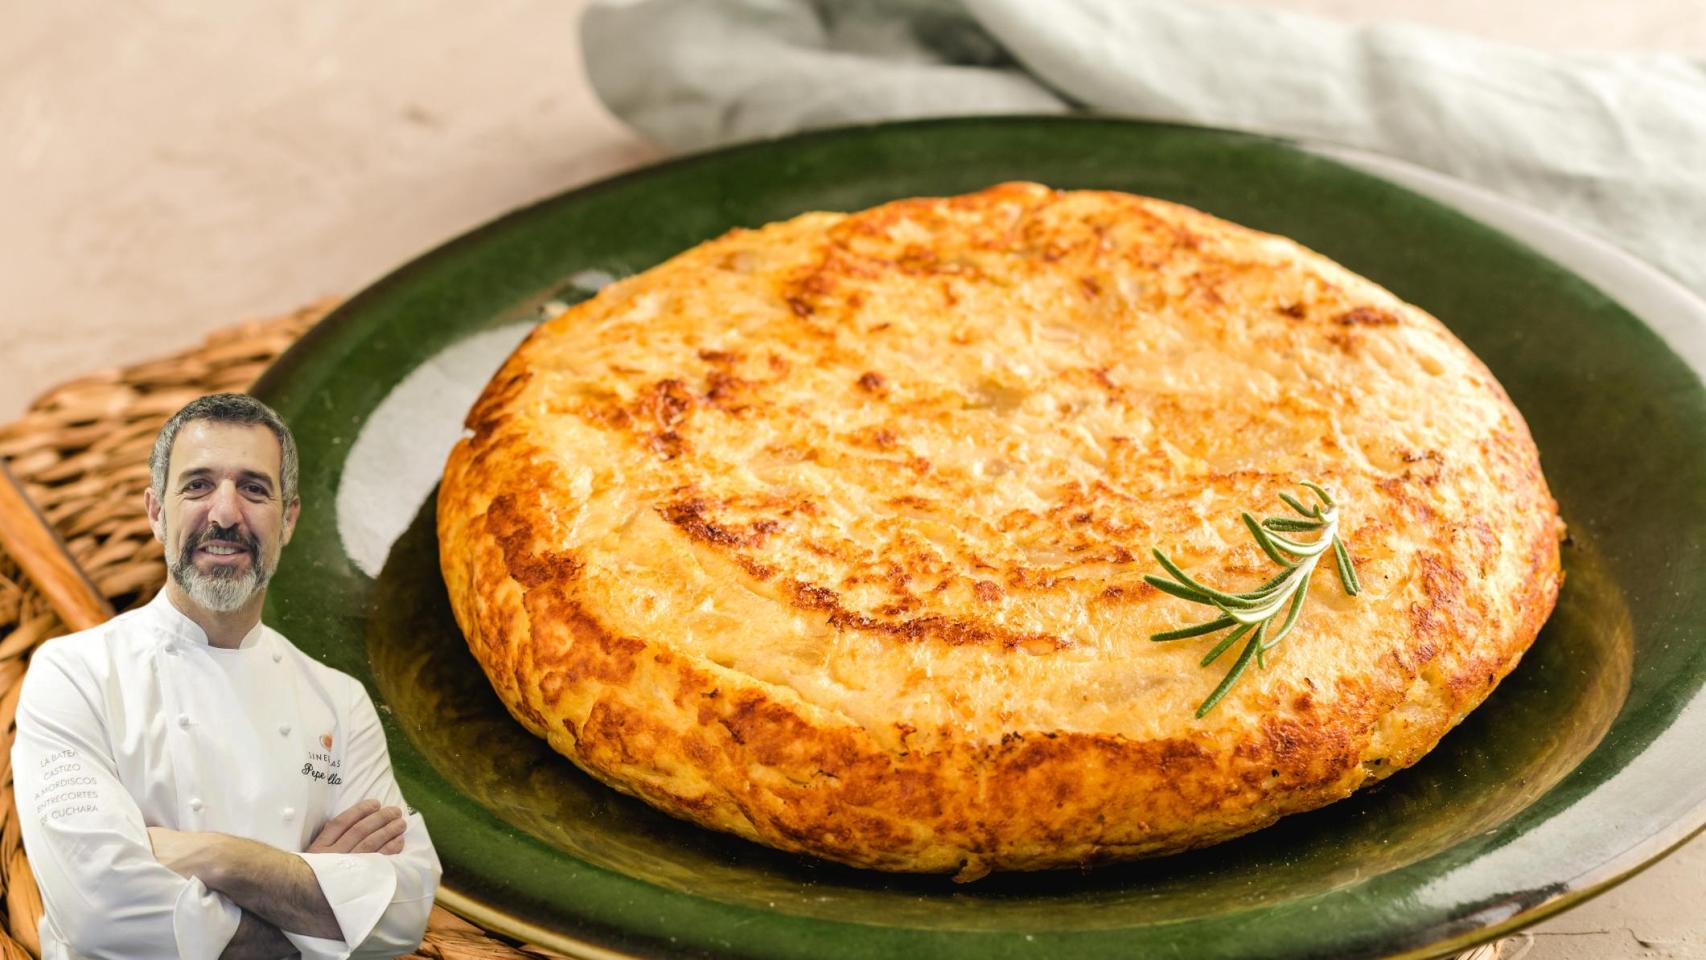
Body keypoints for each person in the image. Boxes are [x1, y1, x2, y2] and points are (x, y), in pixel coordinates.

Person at [13, 393, 441, 959]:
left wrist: (217, 857)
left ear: (288, 520)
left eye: (254, 489)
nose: (224, 514)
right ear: (155, 512)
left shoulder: (340, 701)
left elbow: (404, 914)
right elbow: (98, 909)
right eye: (197, 485)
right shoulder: (72, 674)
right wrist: (314, 905)